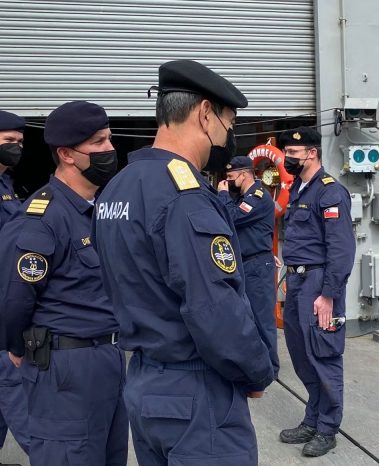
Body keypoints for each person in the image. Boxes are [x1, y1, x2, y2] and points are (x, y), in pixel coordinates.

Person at [93, 59, 274, 466]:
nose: (227, 138)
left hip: (143, 382)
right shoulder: (185, 197)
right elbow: (214, 307)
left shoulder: (118, 187)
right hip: (196, 391)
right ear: (205, 114)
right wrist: (256, 370)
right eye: (228, 125)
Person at [0, 101, 127, 466]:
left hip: (108, 359)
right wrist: (18, 348)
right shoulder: (43, 218)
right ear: (67, 154)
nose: (109, 149)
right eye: (98, 143)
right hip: (65, 368)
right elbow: (14, 300)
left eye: (109, 139)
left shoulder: (95, 211)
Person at [277, 127, 355, 457]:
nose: (288, 160)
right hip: (296, 282)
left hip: (318, 284)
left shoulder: (329, 192)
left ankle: (327, 428)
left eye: (293, 155)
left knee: (323, 354)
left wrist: (329, 294)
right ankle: (312, 418)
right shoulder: (299, 189)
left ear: (312, 154)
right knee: (301, 353)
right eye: (287, 155)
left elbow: (341, 247)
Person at [218, 155, 279, 378]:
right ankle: (254, 365)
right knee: (246, 319)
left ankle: (270, 369)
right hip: (245, 264)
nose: (228, 181)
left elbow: (231, 217)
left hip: (257, 265)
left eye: (231, 177)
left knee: (263, 320)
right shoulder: (243, 197)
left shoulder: (258, 196)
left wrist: (223, 195)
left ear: (244, 175)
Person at [0, 110, 30, 460]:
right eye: (9, 142)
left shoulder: (9, 185)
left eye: (20, 143)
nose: (17, 148)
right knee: (31, 426)